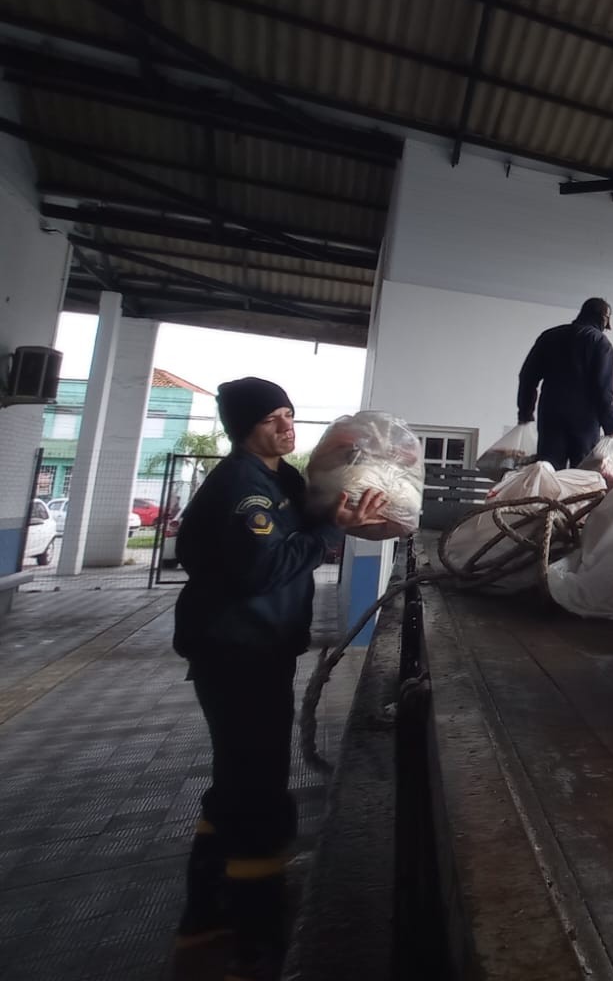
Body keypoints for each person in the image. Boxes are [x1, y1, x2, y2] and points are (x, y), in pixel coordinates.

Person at [172, 378, 389, 979]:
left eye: (290, 415)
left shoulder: (278, 478)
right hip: (236, 650)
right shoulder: (245, 489)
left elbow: (322, 506)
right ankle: (257, 929)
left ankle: (207, 906)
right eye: (273, 419)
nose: (286, 427)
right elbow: (265, 568)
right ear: (245, 427)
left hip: (256, 647)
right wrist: (329, 533)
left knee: (236, 777)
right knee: (260, 787)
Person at [517, 297, 613, 468]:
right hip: (584, 421)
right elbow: (603, 391)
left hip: (551, 415)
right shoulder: (599, 343)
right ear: (603, 318)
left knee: (547, 471)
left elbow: (527, 377)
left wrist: (525, 412)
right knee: (581, 477)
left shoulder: (549, 337)